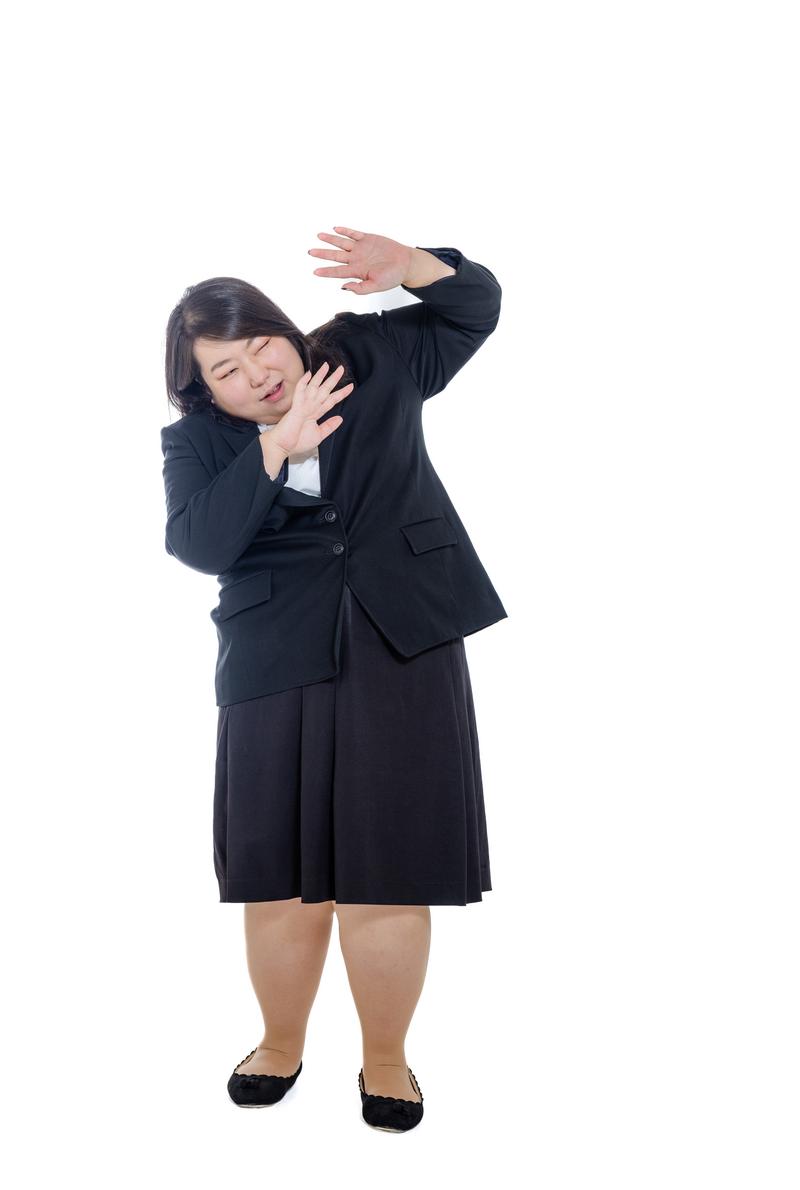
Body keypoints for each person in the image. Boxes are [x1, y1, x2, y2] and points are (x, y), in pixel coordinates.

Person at [160, 226, 508, 1131]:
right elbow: (198, 545)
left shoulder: (366, 350)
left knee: (391, 869)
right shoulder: (198, 442)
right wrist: (273, 449)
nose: (256, 377)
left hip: (408, 634)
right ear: (204, 388)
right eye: (225, 373)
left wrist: (416, 271)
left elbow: (477, 310)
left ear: (284, 328)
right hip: (276, 656)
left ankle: (386, 1059)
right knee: (277, 876)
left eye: (260, 348)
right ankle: (280, 1042)